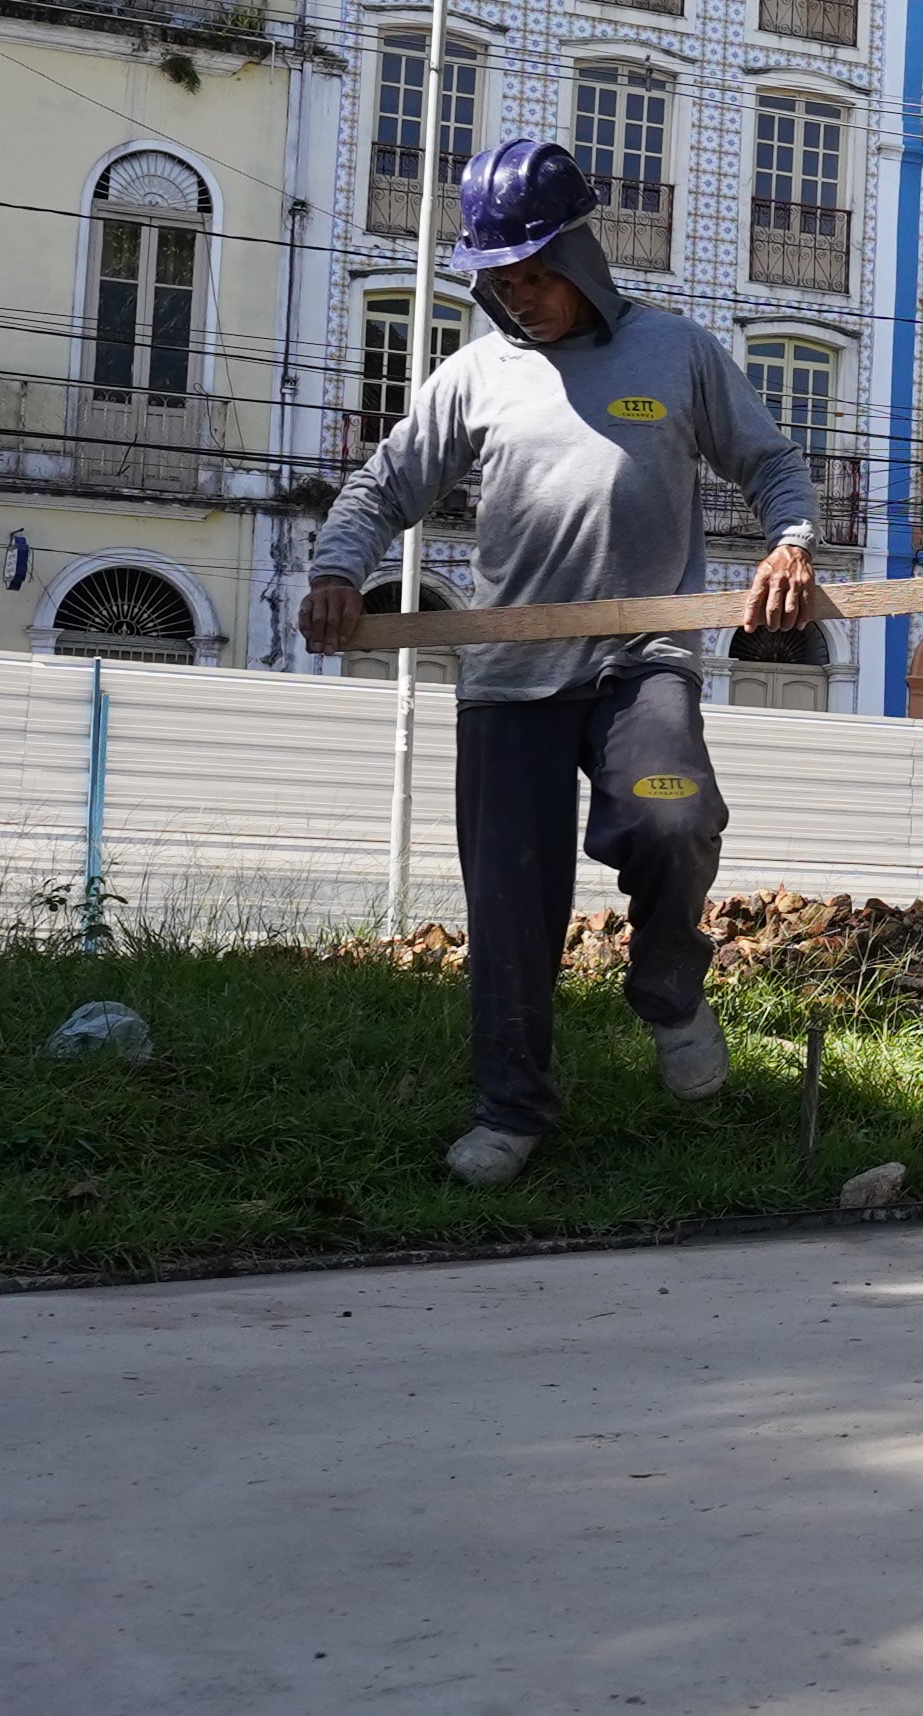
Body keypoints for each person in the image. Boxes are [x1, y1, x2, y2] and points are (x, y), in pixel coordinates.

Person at [300, 140, 824, 1188]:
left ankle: (669, 984)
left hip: (642, 662)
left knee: (675, 814)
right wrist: (336, 569)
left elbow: (768, 459)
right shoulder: (475, 374)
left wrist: (792, 539)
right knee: (510, 907)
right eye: (500, 278)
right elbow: (380, 486)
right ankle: (511, 1107)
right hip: (508, 683)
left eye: (536, 272)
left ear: (583, 255)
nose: (520, 296)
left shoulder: (675, 353)